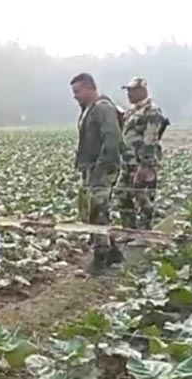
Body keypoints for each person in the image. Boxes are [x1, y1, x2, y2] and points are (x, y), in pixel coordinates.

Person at [71, 73, 124, 273]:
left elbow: (112, 139)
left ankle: (101, 256)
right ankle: (114, 251)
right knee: (95, 209)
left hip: (101, 169)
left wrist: (101, 169)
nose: (75, 96)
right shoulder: (89, 109)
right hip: (91, 167)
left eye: (78, 91)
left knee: (97, 210)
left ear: (89, 88)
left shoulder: (103, 108)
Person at [117, 77, 169, 232]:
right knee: (122, 193)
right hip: (128, 161)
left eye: (132, 90)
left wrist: (145, 165)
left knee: (143, 197)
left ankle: (144, 234)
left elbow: (151, 139)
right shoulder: (132, 110)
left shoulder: (152, 110)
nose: (129, 94)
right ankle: (129, 230)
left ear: (143, 90)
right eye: (128, 90)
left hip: (142, 163)